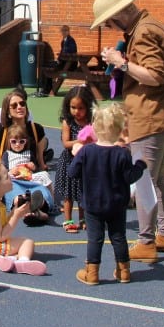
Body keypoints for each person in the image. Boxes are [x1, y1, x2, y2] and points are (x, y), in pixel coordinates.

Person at [90, 0, 164, 262]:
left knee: (144, 179)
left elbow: (154, 76)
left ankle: (147, 240)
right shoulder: (146, 27)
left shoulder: (144, 31)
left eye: (109, 21)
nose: (109, 27)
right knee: (157, 179)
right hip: (160, 115)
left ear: (121, 13)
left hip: (150, 116)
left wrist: (120, 63)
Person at [68, 102, 148, 285]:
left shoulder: (86, 151)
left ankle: (92, 272)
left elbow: (72, 173)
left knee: (95, 238)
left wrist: (76, 155)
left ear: (94, 128)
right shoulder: (122, 153)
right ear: (120, 130)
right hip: (117, 203)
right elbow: (130, 177)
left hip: (93, 203)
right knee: (118, 236)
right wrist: (140, 165)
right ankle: (124, 271)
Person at [55, 85, 95, 233]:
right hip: (69, 162)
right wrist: (82, 141)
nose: (76, 112)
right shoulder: (68, 122)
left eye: (81, 108)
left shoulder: (90, 122)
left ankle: (83, 218)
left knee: (83, 192)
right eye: (73, 108)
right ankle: (68, 219)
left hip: (86, 162)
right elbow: (66, 143)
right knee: (68, 194)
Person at [39, 24, 78, 96]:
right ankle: (46, 88)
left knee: (50, 68)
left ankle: (47, 89)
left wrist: (60, 58)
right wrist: (59, 58)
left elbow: (70, 52)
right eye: (62, 31)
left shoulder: (71, 41)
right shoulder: (63, 41)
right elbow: (63, 53)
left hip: (69, 64)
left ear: (68, 32)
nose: (64, 32)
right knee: (46, 66)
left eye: (65, 31)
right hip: (64, 63)